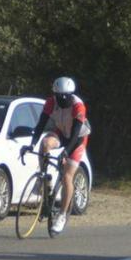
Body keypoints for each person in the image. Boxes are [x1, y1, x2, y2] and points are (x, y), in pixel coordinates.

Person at [23, 76, 91, 234]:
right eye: (57, 96)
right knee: (45, 144)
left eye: (63, 97)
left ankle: (61, 215)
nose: (59, 99)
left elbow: (74, 135)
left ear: (69, 95)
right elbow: (41, 124)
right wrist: (31, 144)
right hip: (61, 132)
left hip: (78, 139)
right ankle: (43, 178)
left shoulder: (78, 106)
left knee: (67, 176)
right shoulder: (51, 102)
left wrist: (66, 152)